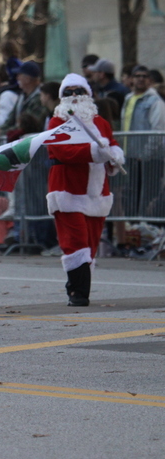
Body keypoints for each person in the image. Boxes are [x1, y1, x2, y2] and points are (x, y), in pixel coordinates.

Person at [46, 73, 124, 306]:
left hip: (97, 191)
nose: (73, 96)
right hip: (68, 189)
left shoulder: (101, 123)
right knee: (76, 240)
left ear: (88, 95)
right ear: (62, 97)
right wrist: (93, 152)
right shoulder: (57, 122)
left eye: (78, 91)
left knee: (90, 242)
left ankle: (80, 288)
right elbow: (62, 151)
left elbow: (112, 143)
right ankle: (78, 293)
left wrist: (115, 155)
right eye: (68, 92)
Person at [119, 65, 165, 216]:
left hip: (149, 159)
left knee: (147, 196)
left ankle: (147, 229)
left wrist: (145, 155)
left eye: (144, 76)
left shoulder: (155, 102)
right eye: (137, 75)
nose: (140, 79)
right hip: (130, 157)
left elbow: (157, 131)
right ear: (131, 79)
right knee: (132, 196)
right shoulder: (128, 98)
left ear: (150, 80)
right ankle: (134, 230)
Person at [0, 61, 46, 138]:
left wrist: (2, 132)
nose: (17, 78)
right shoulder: (22, 96)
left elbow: (29, 125)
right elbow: (11, 119)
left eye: (19, 75)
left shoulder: (41, 97)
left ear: (28, 79)